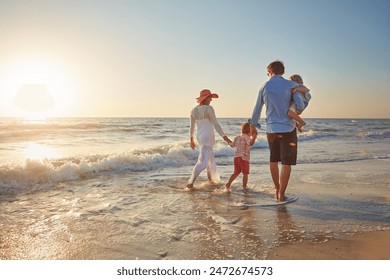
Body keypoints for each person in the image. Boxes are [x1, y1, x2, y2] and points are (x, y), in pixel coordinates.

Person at [250, 60, 309, 202]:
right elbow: (300, 105)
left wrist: (253, 126)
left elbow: (257, 108)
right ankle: (281, 194)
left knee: (273, 160)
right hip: (288, 129)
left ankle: (276, 188)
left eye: (267, 72)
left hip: (272, 129)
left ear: (270, 71)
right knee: (286, 163)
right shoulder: (291, 84)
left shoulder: (264, 86)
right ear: (282, 71)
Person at [187, 89, 232, 189]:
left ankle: (210, 179)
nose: (211, 100)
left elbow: (192, 127)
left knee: (210, 159)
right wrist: (226, 138)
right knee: (202, 162)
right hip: (208, 137)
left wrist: (191, 140)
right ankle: (190, 182)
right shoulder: (209, 109)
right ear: (205, 98)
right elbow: (216, 124)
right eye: (209, 98)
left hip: (200, 137)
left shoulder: (193, 110)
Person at [225, 122, 257, 192]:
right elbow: (250, 143)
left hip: (236, 157)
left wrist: (227, 141)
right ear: (249, 131)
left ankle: (228, 183)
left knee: (236, 172)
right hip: (244, 158)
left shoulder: (237, 137)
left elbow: (232, 145)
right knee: (245, 173)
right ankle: (244, 188)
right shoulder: (246, 137)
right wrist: (254, 136)